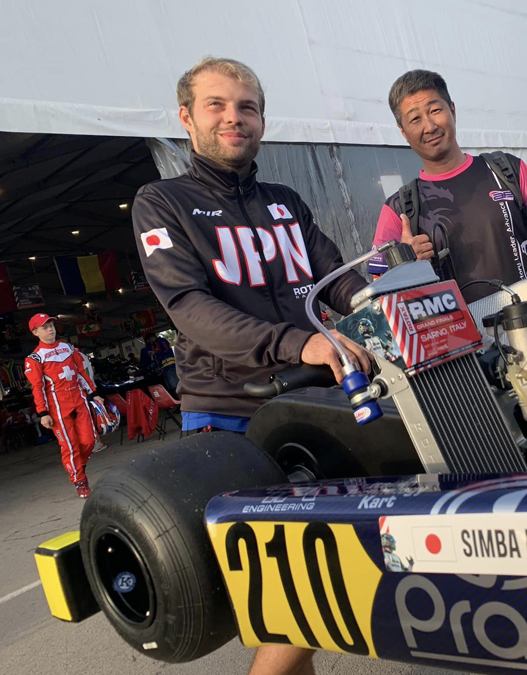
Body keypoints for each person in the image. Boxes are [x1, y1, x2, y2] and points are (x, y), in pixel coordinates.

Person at [132, 57, 372, 675]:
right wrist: (301, 343)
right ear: (186, 118)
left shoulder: (286, 202)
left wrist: (391, 303)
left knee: (303, 596)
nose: (233, 118)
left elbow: (337, 280)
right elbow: (189, 308)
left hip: (314, 406)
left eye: (247, 107)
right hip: (231, 417)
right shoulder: (162, 202)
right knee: (302, 596)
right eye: (216, 105)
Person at [368, 69, 527, 302]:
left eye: (435, 110)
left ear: (453, 110)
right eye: (415, 119)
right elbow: (379, 294)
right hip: (458, 327)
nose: (430, 126)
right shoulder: (398, 210)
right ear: (403, 132)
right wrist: (403, 267)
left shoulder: (508, 170)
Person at [24, 314, 103, 498]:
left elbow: (81, 371)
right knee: (70, 445)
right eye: (44, 327)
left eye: (51, 326)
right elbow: (37, 387)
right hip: (57, 406)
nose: (50, 330)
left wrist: (94, 393)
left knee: (90, 440)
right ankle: (79, 481)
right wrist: (43, 412)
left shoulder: (68, 347)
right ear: (35, 332)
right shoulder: (34, 358)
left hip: (79, 398)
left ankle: (78, 466)